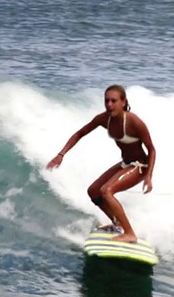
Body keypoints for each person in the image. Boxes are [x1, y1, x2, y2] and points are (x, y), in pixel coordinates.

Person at [46, 85, 156, 243]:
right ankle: (117, 224)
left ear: (124, 102)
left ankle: (129, 233)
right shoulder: (104, 119)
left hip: (140, 166)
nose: (109, 105)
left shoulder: (134, 122)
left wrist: (149, 176)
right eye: (107, 101)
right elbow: (80, 133)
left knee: (107, 190)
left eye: (114, 101)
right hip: (126, 163)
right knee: (94, 191)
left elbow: (151, 149)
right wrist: (61, 155)